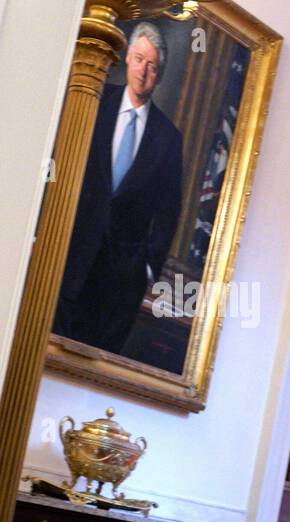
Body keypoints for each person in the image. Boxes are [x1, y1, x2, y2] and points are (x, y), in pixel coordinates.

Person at [53, 22, 182, 354]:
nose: (143, 71)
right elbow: (60, 160)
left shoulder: (168, 139)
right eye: (139, 59)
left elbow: (169, 211)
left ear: (160, 74)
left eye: (152, 66)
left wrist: (148, 266)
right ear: (127, 58)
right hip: (69, 254)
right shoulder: (94, 101)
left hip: (121, 281)